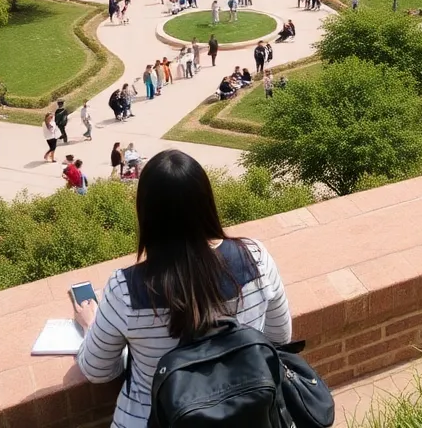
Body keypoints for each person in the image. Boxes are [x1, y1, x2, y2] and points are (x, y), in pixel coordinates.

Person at [73, 150, 292, 428]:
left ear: (146, 212)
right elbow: (279, 335)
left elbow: (97, 370)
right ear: (206, 202)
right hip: (249, 416)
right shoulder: (255, 258)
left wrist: (92, 325)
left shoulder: (126, 290)